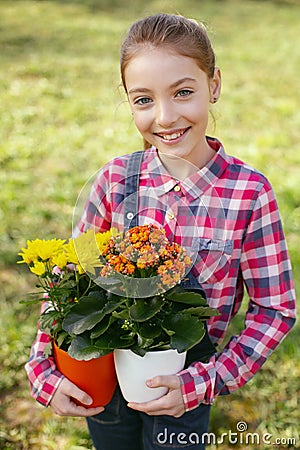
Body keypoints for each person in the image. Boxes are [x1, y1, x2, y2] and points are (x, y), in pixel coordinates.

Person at [25, 13, 296, 450]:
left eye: (183, 92)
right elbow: (67, 284)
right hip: (105, 379)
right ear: (128, 102)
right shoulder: (114, 182)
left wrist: (205, 381)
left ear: (214, 86)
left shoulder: (249, 194)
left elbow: (274, 311)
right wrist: (43, 367)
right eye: (143, 100)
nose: (166, 118)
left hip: (187, 388)